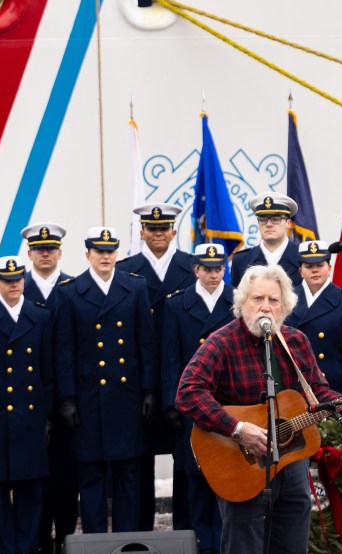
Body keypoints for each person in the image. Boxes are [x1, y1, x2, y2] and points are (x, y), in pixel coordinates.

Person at [176, 264, 342, 553]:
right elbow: (188, 392)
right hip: (241, 464)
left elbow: (316, 392)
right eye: (258, 299)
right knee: (244, 545)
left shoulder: (294, 341)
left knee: (293, 542)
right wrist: (237, 429)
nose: (265, 307)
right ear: (243, 302)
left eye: (273, 300)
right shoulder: (222, 342)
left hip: (291, 459)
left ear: (284, 307)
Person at [53, 227, 157, 533]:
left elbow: (146, 344)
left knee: (128, 475)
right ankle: (95, 542)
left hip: (126, 399)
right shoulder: (70, 292)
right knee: (92, 476)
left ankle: (127, 541)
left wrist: (149, 390)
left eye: (110, 251)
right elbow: (65, 352)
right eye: (99, 252)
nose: (105, 257)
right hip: (88, 401)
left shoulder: (135, 288)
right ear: (87, 254)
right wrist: (67, 399)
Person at [115, 202, 197, 530]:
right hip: (140, 383)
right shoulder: (125, 270)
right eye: (151, 228)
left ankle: (188, 533)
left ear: (174, 231)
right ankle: (139, 533)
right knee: (139, 462)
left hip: (183, 378)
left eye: (164, 228)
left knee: (186, 461)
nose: (158, 233)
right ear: (142, 232)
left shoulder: (193, 266)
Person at [0, 257, 53, 554]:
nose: (14, 284)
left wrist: (48, 415)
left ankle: (28, 547)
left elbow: (47, 372)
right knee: (1, 493)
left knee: (31, 492)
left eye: (18, 279)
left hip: (31, 419)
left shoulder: (40, 317)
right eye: (7, 280)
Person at [161, 243, 235, 554]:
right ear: (196, 270)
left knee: (226, 474)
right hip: (192, 402)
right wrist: (171, 402)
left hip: (226, 402)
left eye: (218, 268)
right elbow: (170, 356)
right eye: (207, 269)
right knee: (194, 476)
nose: (214, 274)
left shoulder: (235, 301)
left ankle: (223, 540)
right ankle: (199, 542)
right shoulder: (178, 305)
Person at [19, 222, 76, 554]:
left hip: (67, 398)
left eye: (50, 249)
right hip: (29, 399)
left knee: (66, 477)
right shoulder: (16, 287)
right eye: (39, 249)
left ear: (59, 252)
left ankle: (66, 538)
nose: (45, 254)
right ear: (29, 253)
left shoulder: (73, 287)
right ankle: (39, 541)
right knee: (34, 478)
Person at [286, 240, 342, 392]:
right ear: (300, 270)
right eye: (309, 266)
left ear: (329, 268)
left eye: (320, 265)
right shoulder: (287, 299)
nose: (315, 270)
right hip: (295, 387)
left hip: (333, 386)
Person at [231, 192, 303, 287]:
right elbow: (236, 300)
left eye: (276, 218)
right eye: (263, 219)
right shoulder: (240, 261)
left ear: (288, 223)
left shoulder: (303, 257)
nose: (269, 224)